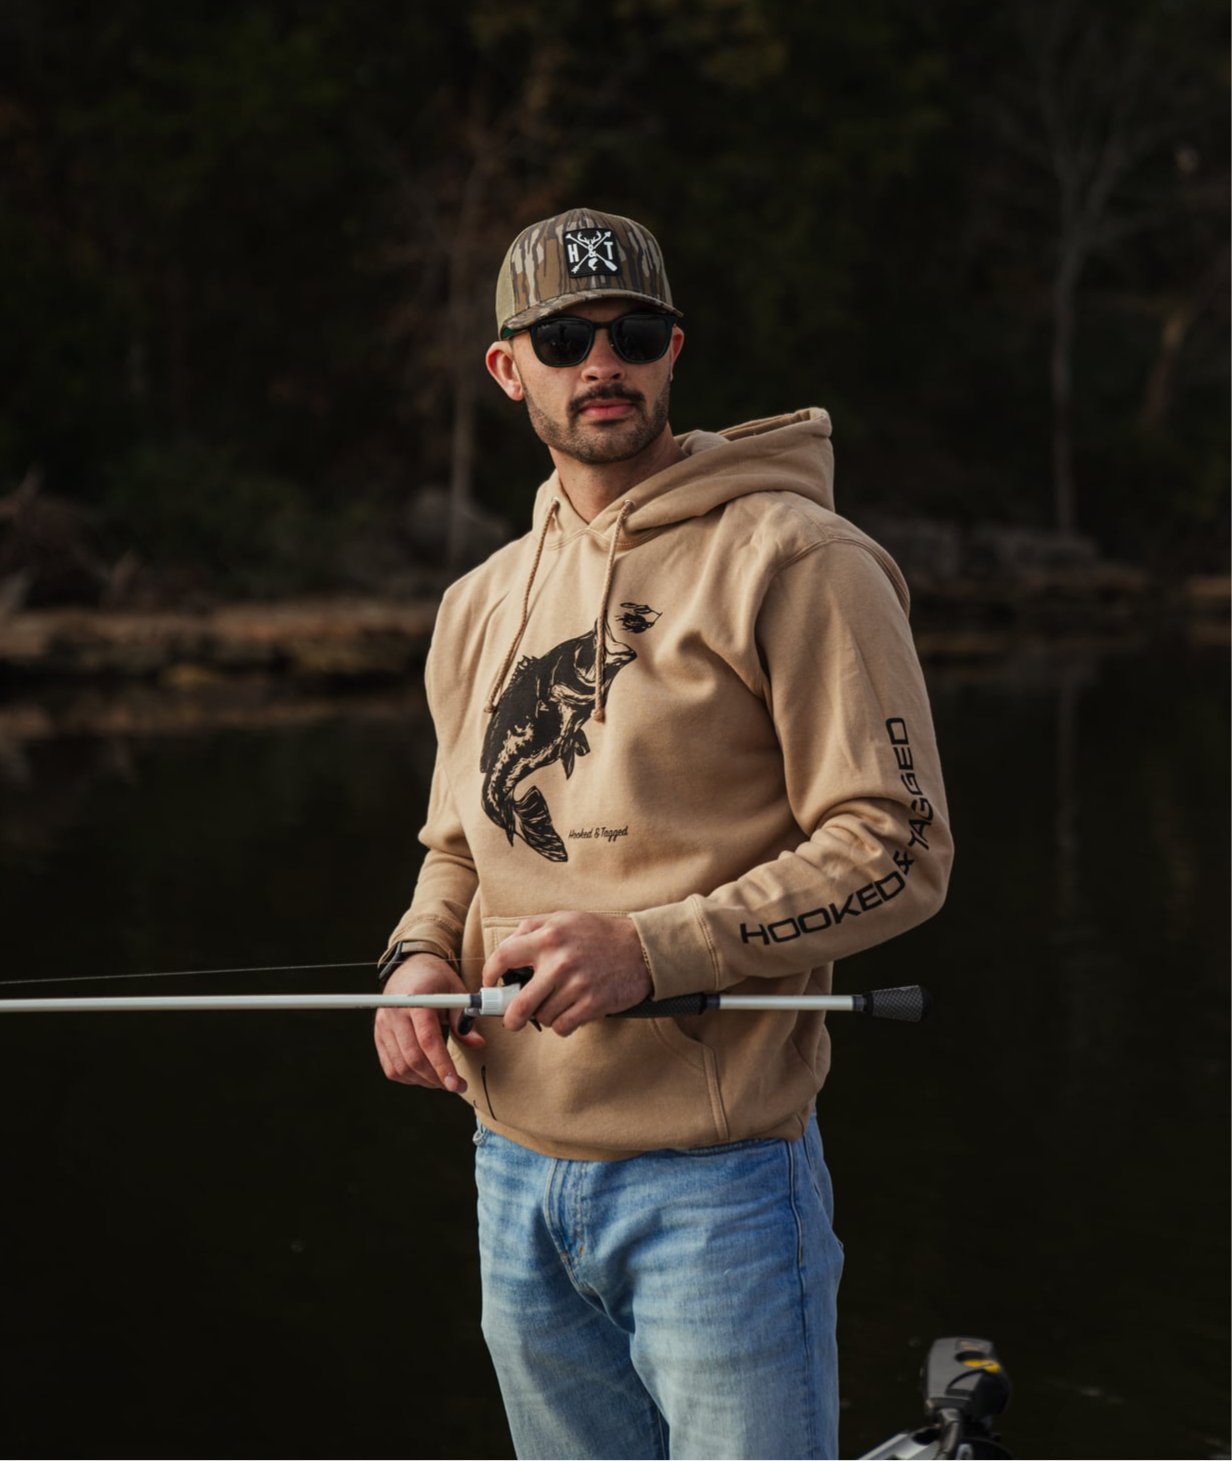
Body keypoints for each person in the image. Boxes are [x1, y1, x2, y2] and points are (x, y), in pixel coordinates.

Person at [373, 207, 952, 1461]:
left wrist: (653, 949)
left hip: (718, 1187)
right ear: (507, 366)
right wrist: (415, 960)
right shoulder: (478, 603)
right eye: (563, 339)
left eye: (633, 334)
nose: (602, 363)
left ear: (672, 351)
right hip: (509, 1171)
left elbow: (896, 846)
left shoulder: (798, 559)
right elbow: (454, 844)